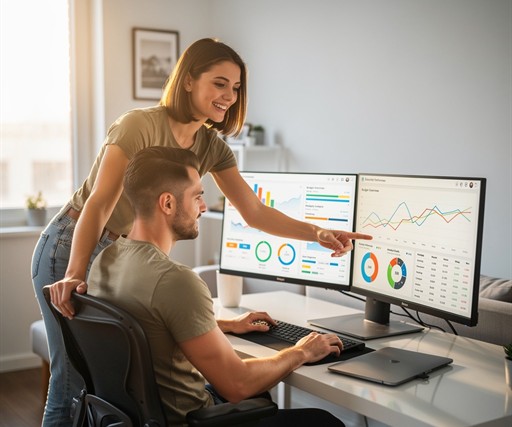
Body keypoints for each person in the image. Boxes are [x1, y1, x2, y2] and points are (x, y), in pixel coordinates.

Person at [34, 38, 371, 425]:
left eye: (236, 87)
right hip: (73, 240)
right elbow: (100, 202)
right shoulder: (139, 125)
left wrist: (318, 233)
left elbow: (254, 210)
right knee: (70, 382)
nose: (229, 95)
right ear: (189, 80)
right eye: (219, 83)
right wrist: (76, 272)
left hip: (118, 248)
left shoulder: (211, 146)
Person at [86, 146, 346, 426]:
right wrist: (301, 351)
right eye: (197, 196)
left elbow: (149, 327)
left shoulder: (107, 259)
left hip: (136, 417)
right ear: (168, 204)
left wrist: (225, 325)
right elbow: (238, 385)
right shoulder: (175, 280)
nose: (203, 207)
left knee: (262, 397)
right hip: (187, 420)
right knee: (323, 421)